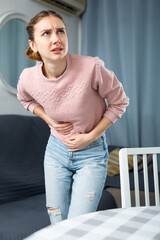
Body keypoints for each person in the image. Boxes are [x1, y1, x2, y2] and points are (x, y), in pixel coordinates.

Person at [17, 10, 129, 225]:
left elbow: (119, 102)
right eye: (46, 33)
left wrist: (91, 136)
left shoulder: (92, 67)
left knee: (79, 224)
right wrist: (48, 119)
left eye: (61, 31)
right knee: (57, 220)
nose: (56, 39)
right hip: (55, 153)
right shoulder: (27, 78)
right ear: (33, 45)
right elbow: (27, 101)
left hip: (92, 153)